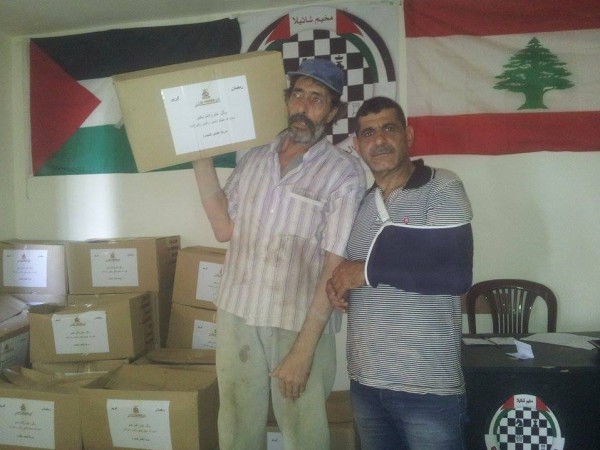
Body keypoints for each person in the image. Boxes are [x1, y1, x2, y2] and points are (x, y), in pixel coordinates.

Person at [193, 58, 366, 450]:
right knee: (236, 426)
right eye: (298, 94)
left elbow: (334, 264)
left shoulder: (343, 172)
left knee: (303, 434)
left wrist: (303, 351)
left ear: (332, 112)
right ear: (287, 100)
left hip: (297, 323)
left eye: (316, 98)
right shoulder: (255, 159)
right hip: (237, 312)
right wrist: (199, 157)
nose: (303, 106)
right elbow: (223, 228)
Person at [326, 96, 473, 450]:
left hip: (428, 386)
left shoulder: (442, 186)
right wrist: (339, 286)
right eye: (368, 133)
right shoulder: (360, 204)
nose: (379, 140)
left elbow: (454, 273)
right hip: (366, 384)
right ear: (357, 144)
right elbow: (352, 272)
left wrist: (365, 272)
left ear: (408, 135)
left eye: (388, 128)